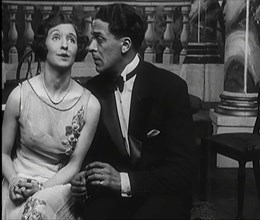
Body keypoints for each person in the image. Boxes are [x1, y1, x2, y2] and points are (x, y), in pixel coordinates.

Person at [70, 3, 197, 219]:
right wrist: (84, 175)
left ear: (125, 44)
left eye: (99, 39)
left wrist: (124, 181)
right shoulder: (93, 90)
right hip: (111, 195)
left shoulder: (170, 88)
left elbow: (183, 171)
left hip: (162, 192)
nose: (91, 47)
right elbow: (92, 153)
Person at [2, 10, 100, 220]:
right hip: (16, 180)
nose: (65, 45)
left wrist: (41, 187)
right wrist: (14, 182)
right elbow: (3, 154)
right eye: (56, 37)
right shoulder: (19, 96)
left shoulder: (90, 105)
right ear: (43, 45)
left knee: (36, 210)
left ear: (77, 48)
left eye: (71, 40)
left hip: (57, 187)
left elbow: (74, 165)